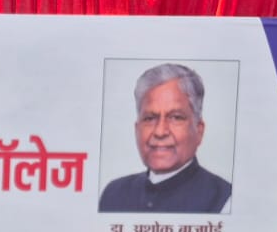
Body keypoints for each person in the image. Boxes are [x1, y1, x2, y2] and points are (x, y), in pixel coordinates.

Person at [98, 64, 232, 214]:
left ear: (199, 130)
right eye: (149, 118)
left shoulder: (224, 200)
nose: (160, 131)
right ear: (137, 129)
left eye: (176, 117)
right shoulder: (113, 195)